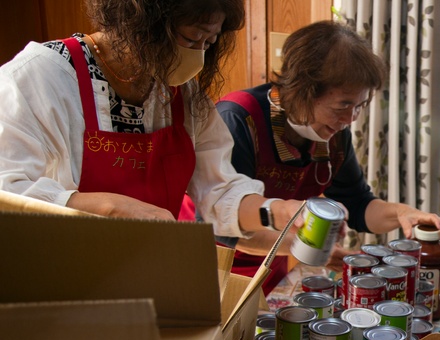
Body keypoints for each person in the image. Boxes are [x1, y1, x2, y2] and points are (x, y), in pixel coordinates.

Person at [0, 0, 305, 243]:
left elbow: (220, 191)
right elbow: (9, 197)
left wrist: (278, 212)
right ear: (140, 22)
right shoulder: (39, 77)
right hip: (64, 276)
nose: (197, 57)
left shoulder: (180, 92)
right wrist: (112, 209)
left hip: (148, 267)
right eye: (191, 38)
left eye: (208, 43)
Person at [213, 21, 440, 293]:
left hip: (272, 270)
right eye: (343, 105)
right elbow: (223, 228)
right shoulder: (239, 119)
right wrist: (306, 248)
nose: (350, 119)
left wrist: (403, 213)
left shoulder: (332, 134)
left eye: (359, 105)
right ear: (304, 91)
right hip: (217, 269)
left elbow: (359, 205)